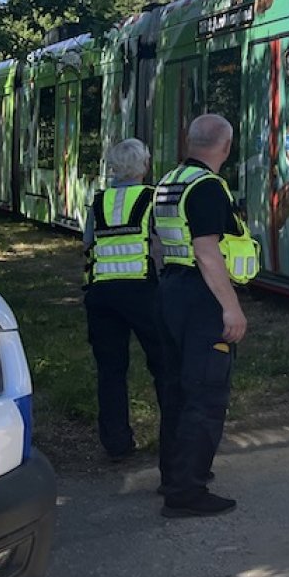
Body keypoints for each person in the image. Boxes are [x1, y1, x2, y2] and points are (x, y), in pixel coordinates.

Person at [155, 114, 253, 518]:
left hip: (169, 293)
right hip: (201, 297)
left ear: (189, 139)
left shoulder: (169, 182)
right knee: (206, 395)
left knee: (176, 392)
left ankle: (173, 476)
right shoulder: (208, 187)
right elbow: (207, 252)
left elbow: (158, 244)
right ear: (226, 147)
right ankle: (187, 492)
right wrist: (231, 307)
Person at [82, 138, 170, 469]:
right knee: (163, 365)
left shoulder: (99, 201)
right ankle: (172, 439)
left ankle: (117, 443)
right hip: (143, 293)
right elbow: (164, 241)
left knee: (111, 371)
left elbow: (88, 242)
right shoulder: (151, 198)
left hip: (102, 293)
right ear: (144, 165)